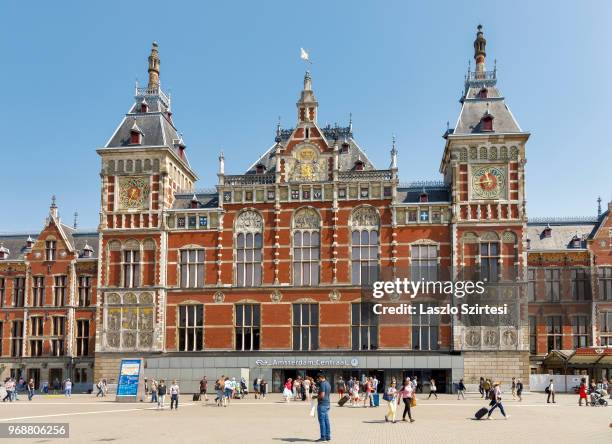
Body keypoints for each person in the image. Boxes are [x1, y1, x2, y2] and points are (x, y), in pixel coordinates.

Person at [316, 373, 331, 443]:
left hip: (322, 404)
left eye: (318, 378)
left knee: (322, 421)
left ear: (321, 377)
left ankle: (323, 437)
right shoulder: (328, 383)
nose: (318, 380)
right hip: (327, 403)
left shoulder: (322, 384)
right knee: (326, 421)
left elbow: (322, 395)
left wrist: (316, 397)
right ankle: (328, 436)